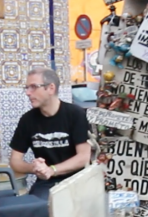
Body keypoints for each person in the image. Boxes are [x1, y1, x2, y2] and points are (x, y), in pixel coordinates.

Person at [8, 68, 91, 200]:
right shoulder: (27, 120)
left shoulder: (75, 114)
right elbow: (15, 161)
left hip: (77, 181)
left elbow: (84, 157)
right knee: (36, 210)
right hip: (46, 184)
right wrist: (35, 168)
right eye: (27, 87)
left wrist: (52, 170)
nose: (28, 93)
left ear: (51, 88)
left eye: (34, 87)